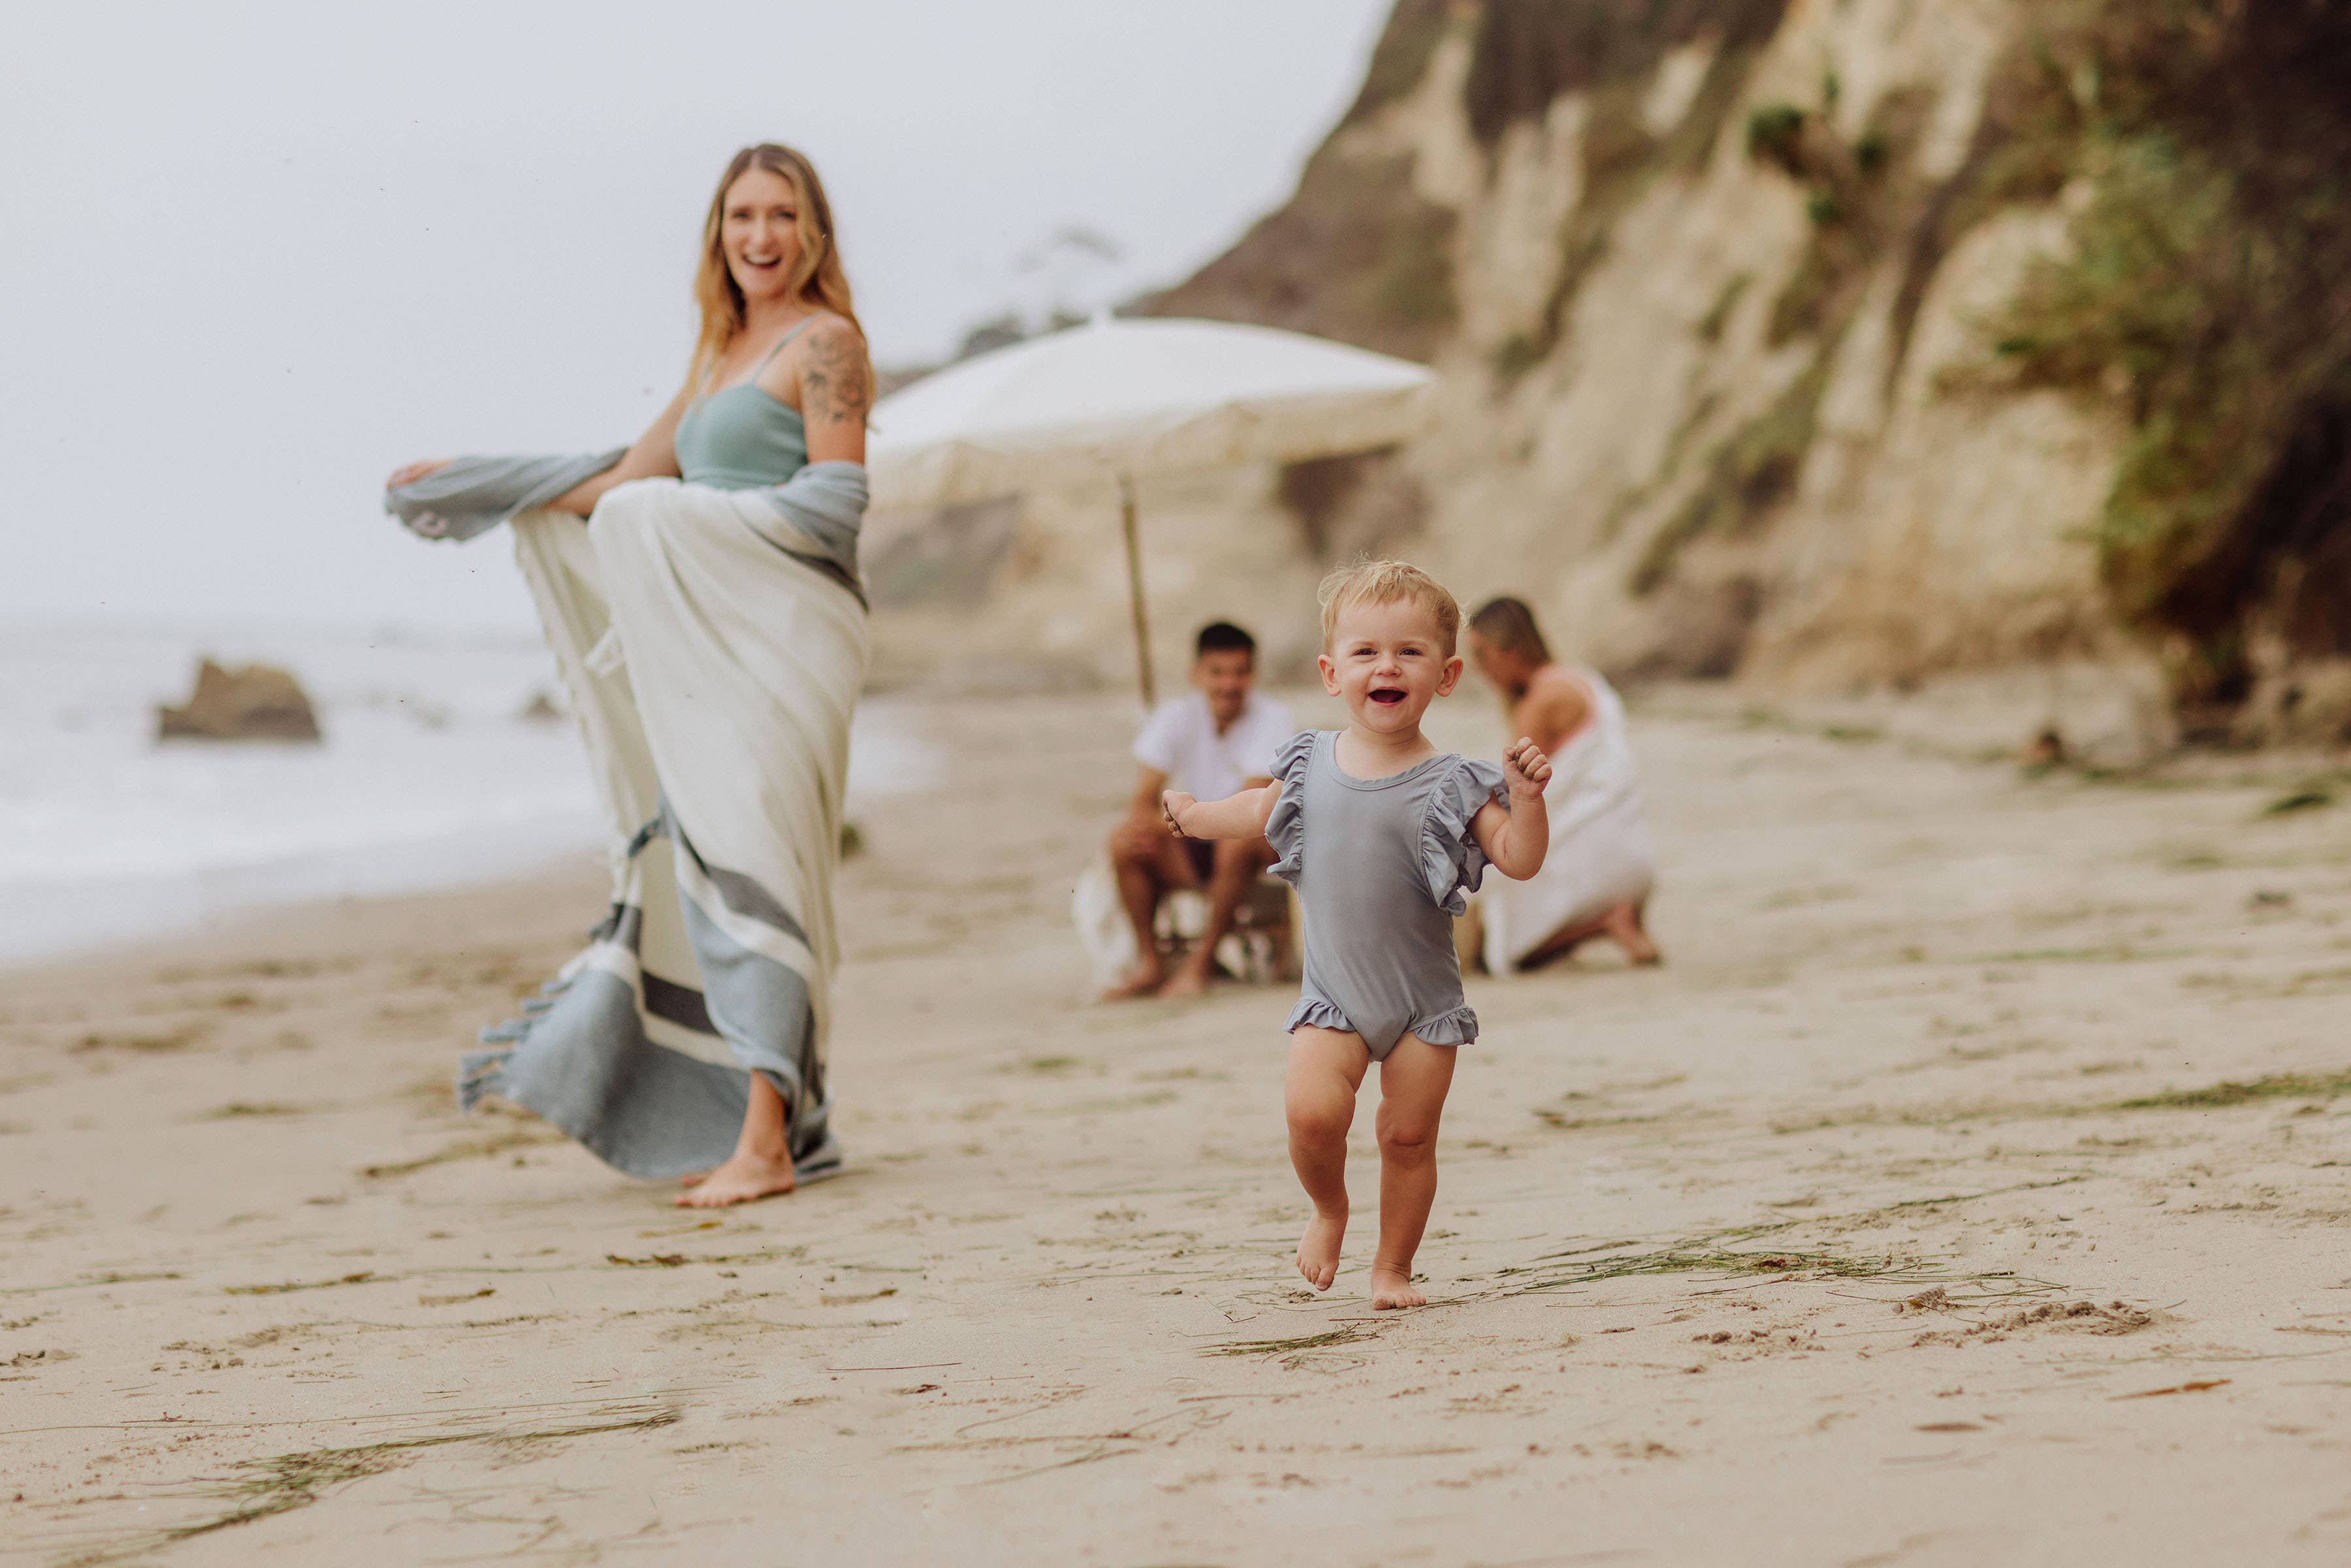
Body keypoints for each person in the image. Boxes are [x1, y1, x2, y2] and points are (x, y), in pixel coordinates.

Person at [383, 144, 874, 1209]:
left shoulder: (828, 343)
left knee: (762, 858)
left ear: (813, 231)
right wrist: (473, 479)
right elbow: (618, 482)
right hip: (704, 641)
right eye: (741, 215)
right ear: (718, 234)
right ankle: (776, 1122)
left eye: (781, 214)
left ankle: (767, 1145)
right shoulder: (714, 354)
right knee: (716, 852)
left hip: (784, 636)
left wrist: (673, 518)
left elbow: (837, 503)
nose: (760, 236)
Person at [1163, 562, 1552, 1309]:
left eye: (1409, 651)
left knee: (1408, 1139)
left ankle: (1393, 1268)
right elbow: (1252, 814)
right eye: (1367, 651)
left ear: (1446, 674)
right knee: (1312, 1116)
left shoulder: (1455, 781)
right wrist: (1194, 813)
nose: (1387, 665)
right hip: (1333, 997)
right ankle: (1329, 1208)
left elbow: (1520, 859)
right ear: (1331, 671)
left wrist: (1529, 801)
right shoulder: (1310, 763)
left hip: (1421, 1006)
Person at [1462, 596, 1661, 970]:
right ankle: (1619, 918)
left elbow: (1513, 789)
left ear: (1510, 649)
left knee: (1503, 952)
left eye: (1482, 654)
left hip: (1596, 857)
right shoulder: (1580, 677)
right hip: (1631, 847)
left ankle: (1604, 923)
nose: (1479, 668)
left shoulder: (1541, 700)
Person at [1102, 622, 1295, 1000]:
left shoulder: (1274, 718)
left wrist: (1187, 821)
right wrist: (1151, 826)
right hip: (1186, 837)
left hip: (1246, 840)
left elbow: (1253, 802)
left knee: (1236, 842)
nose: (1229, 684)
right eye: (1217, 673)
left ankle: (1201, 962)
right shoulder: (1175, 716)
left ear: (1252, 674)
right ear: (1197, 674)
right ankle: (1150, 962)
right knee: (1125, 842)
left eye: (1239, 673)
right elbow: (1142, 798)